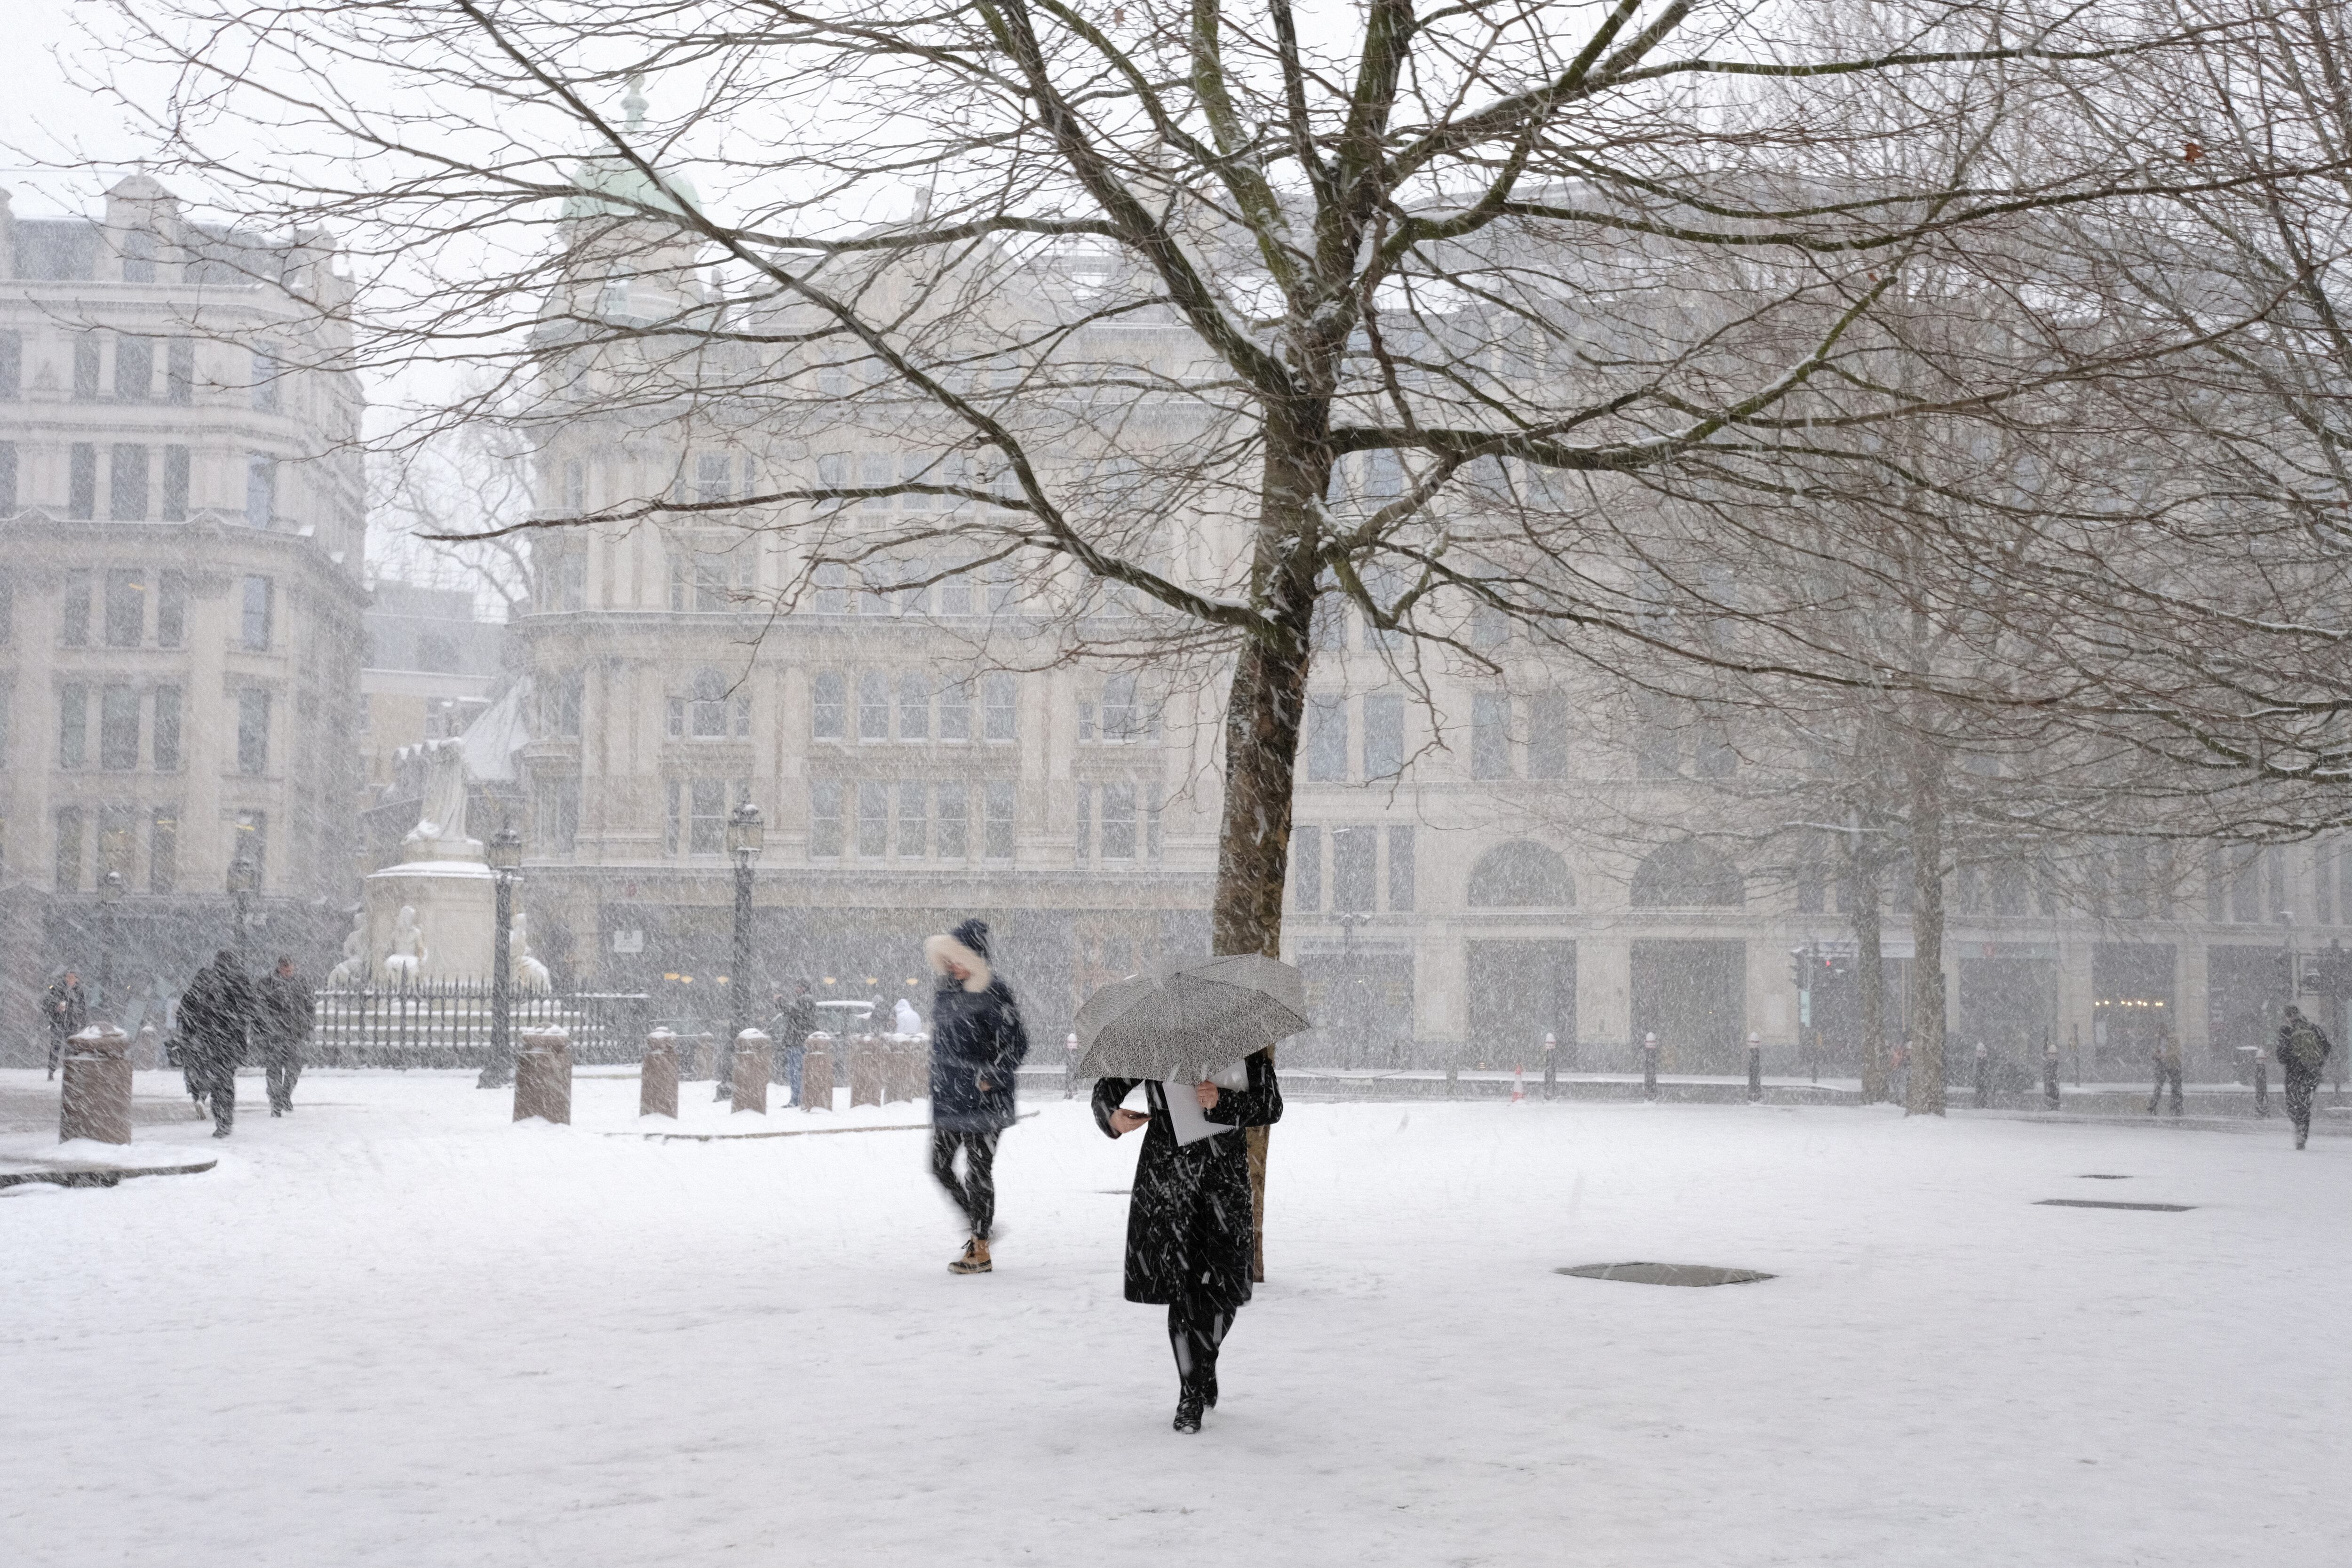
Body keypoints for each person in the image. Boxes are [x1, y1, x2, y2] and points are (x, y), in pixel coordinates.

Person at [1095, 1049, 1285, 1434]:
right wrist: (1111, 1116)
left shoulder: (1241, 1034)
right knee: (1182, 1286)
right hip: (1169, 1174)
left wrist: (1222, 1100)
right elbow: (1107, 1088)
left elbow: (1270, 1104)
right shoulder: (1154, 1035)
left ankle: (1204, 1360)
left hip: (1224, 1177)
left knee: (1225, 1290)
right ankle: (1190, 1393)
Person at [923, 919, 1030, 1274]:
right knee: (939, 1166)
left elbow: (1017, 1043)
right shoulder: (946, 992)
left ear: (976, 958)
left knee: (978, 1171)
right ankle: (979, 1224)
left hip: (985, 1098)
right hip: (950, 1096)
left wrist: (993, 1075)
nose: (953, 965)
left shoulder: (994, 991)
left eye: (959, 958)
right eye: (949, 959)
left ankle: (980, 1248)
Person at [179, 951, 257, 1138]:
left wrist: (191, 1034)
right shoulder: (238, 983)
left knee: (216, 1081)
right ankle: (225, 1119)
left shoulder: (207, 981)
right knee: (226, 1081)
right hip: (229, 1041)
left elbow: (188, 1009)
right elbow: (251, 1009)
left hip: (211, 1042)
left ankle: (220, 1117)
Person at [255, 955, 316, 1117]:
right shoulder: (267, 984)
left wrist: (307, 1024)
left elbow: (309, 1005)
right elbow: (260, 1009)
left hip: (295, 1033)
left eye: (291, 969)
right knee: (274, 1070)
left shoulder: (300, 983)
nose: (289, 972)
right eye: (286, 970)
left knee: (294, 1069)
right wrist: (266, 1028)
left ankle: (285, 1095)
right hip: (275, 1035)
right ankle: (276, 1103)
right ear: (280, 968)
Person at [2278, 1005, 2333, 1151]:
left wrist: (2295, 1059)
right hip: (2312, 1074)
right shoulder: (2313, 1028)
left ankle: (2299, 1128)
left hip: (2294, 1074)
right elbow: (2327, 1047)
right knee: (2305, 1103)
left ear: (2287, 1017)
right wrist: (2317, 1064)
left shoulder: (2287, 1031)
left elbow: (2282, 1056)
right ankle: (2303, 1133)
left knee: (2293, 1104)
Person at [771, 983, 818, 1107]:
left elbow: (794, 1013)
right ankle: (798, 1098)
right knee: (796, 1071)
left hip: (797, 1041)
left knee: (796, 1072)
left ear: (803, 988)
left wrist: (781, 1002)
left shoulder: (805, 999)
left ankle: (796, 1099)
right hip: (797, 1040)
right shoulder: (805, 1000)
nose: (795, 989)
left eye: (797, 986)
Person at [44, 969, 89, 1079]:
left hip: (72, 1023)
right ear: (65, 978)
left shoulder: (79, 991)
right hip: (58, 1023)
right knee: (55, 1047)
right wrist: (56, 1008)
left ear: (77, 980)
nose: (71, 980)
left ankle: (69, 1071)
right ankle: (51, 1071)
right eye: (69, 977)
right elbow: (47, 1004)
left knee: (71, 1048)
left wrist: (82, 1022)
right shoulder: (57, 989)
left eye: (73, 978)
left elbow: (83, 1008)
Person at [2147, 1028, 2184, 1118]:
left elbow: (2176, 1050)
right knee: (2159, 1086)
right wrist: (2156, 1055)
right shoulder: (2157, 1039)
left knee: (2176, 1087)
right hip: (2161, 1064)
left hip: (2173, 1064)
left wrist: (2166, 1055)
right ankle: (2153, 1105)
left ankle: (2176, 1106)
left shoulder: (2173, 1038)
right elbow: (2154, 1050)